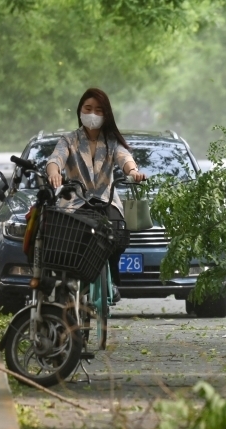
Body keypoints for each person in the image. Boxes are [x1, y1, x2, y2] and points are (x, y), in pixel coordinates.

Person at [46, 88, 146, 299]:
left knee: (118, 234)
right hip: (75, 201)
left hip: (105, 200)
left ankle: (113, 280)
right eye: (88, 108)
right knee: (71, 240)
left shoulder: (111, 142)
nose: (93, 114)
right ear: (80, 111)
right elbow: (55, 159)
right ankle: (72, 281)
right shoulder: (69, 140)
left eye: (98, 110)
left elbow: (125, 158)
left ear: (106, 114)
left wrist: (134, 172)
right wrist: (54, 174)